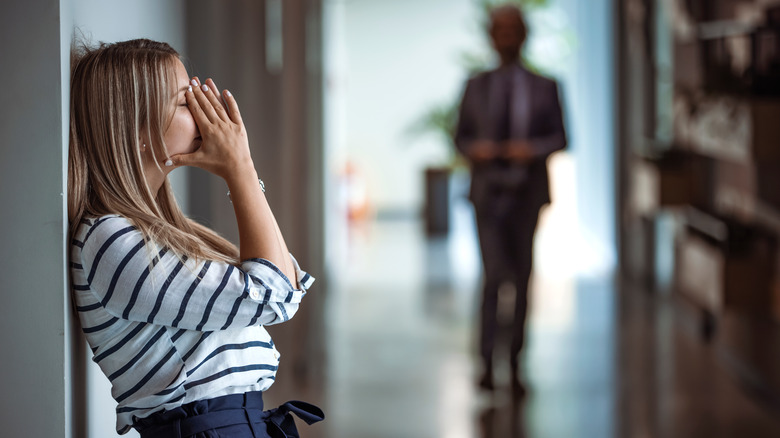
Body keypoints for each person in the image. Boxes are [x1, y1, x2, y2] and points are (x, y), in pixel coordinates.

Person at [68, 39, 323, 437]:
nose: (208, 113)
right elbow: (275, 292)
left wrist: (243, 167)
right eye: (186, 102)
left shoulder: (152, 233)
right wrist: (239, 166)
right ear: (136, 131)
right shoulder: (109, 242)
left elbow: (285, 282)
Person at [454, 5, 567, 394]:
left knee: (521, 279)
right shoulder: (476, 85)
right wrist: (477, 150)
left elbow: (562, 137)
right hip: (487, 194)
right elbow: (460, 137)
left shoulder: (546, 86)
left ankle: (516, 363)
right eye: (499, 30)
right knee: (492, 279)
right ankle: (486, 363)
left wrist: (531, 150)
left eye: (512, 30)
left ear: (523, 35)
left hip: (527, 194)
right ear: (490, 36)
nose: (506, 37)